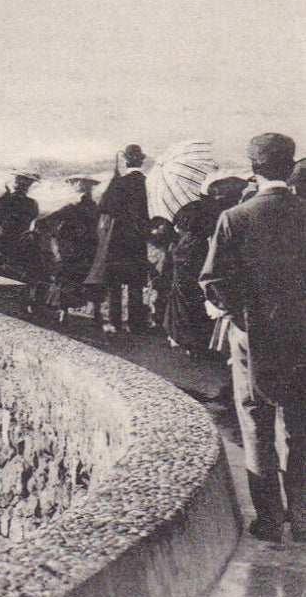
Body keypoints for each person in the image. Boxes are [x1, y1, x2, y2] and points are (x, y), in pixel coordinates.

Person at [200, 133, 306, 542]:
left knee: (256, 422)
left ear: (254, 168)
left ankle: (268, 520)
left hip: (254, 333)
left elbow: (213, 282)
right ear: (290, 164)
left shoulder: (235, 217)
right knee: (301, 427)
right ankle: (302, 518)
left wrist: (241, 315)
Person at [164, 175, 243, 353]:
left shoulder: (193, 207)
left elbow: (178, 224)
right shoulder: (217, 210)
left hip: (183, 253)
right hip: (197, 253)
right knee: (194, 295)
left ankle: (181, 337)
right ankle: (194, 340)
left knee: (182, 296)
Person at [86, 144, 151, 333]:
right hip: (138, 240)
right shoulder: (148, 183)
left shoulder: (119, 183)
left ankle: (115, 321)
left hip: (118, 240)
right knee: (136, 284)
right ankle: (136, 324)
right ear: (141, 161)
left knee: (115, 284)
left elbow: (104, 207)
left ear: (126, 161)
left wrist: (114, 181)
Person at [45, 177, 102, 324]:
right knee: (90, 279)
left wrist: (58, 237)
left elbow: (48, 222)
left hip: (72, 250)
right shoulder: (95, 208)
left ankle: (64, 312)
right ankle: (96, 313)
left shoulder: (72, 207)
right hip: (89, 249)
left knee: (67, 279)